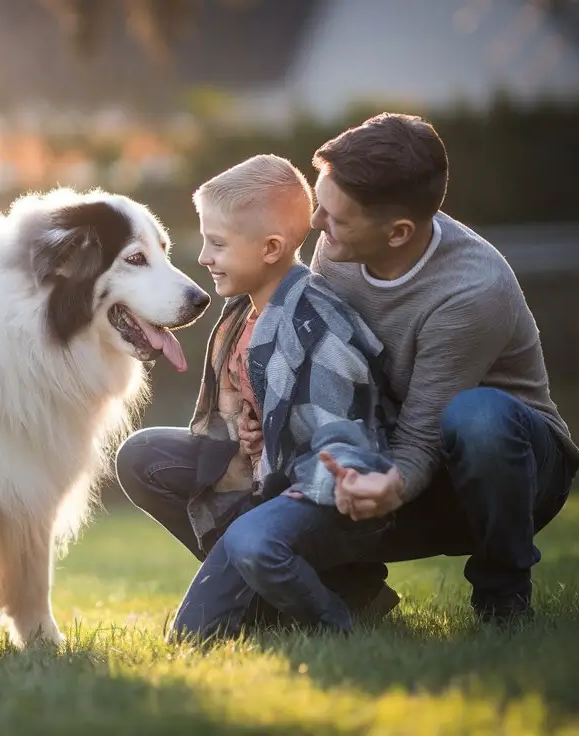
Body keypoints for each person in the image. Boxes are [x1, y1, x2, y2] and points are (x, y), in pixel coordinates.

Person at [306, 112, 579, 623]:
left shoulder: (472, 290)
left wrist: (392, 484)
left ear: (398, 233)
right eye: (319, 206)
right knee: (165, 460)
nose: (316, 225)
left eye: (335, 217)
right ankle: (351, 592)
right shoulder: (337, 247)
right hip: (399, 452)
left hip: (510, 471)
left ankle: (503, 598)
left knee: (476, 416)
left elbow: (425, 432)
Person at [115, 154, 401, 641]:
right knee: (142, 455)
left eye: (218, 243)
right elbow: (248, 406)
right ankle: (277, 591)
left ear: (270, 248)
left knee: (193, 635)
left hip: (311, 495)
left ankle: (339, 614)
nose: (203, 256)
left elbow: (343, 445)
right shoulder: (239, 314)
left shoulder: (318, 327)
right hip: (261, 477)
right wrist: (255, 432)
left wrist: (278, 489)